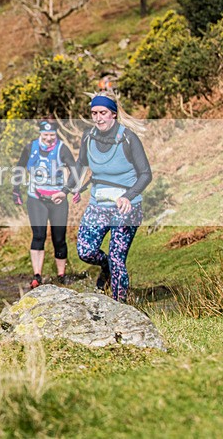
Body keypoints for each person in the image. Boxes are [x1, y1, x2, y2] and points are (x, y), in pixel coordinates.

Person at [75, 90, 151, 303]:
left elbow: (146, 174)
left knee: (118, 259)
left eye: (103, 112)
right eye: (94, 113)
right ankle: (105, 266)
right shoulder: (88, 137)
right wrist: (69, 188)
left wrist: (128, 196)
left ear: (113, 114)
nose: (98, 118)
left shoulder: (128, 138)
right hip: (98, 205)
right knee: (85, 251)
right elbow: (81, 164)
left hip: (126, 208)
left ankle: (120, 306)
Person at [13, 120, 78, 289]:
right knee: (39, 235)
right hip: (36, 198)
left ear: (56, 134)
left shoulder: (62, 148)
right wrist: (16, 190)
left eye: (52, 135)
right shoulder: (31, 148)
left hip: (58, 199)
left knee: (59, 238)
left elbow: (75, 171)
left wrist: (67, 190)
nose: (49, 138)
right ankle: (37, 276)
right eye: (45, 135)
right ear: (40, 133)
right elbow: (19, 168)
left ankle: (61, 275)